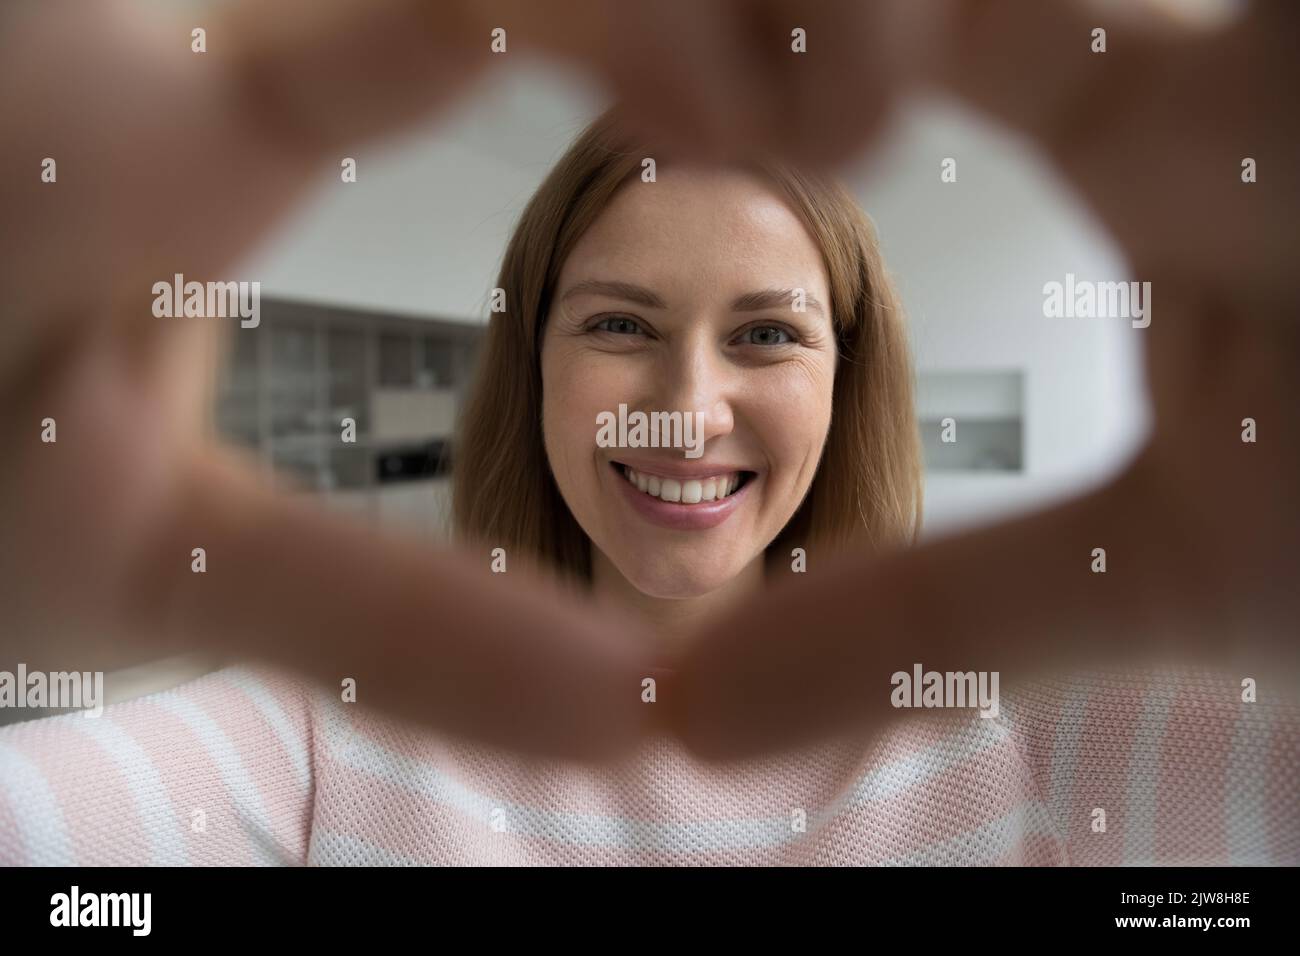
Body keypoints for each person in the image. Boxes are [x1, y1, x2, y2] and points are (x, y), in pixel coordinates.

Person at [0, 0, 1296, 863]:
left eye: (767, 335)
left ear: (853, 382)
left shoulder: (1029, 729)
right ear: (533, 366)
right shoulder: (325, 734)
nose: (686, 410)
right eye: (619, 326)